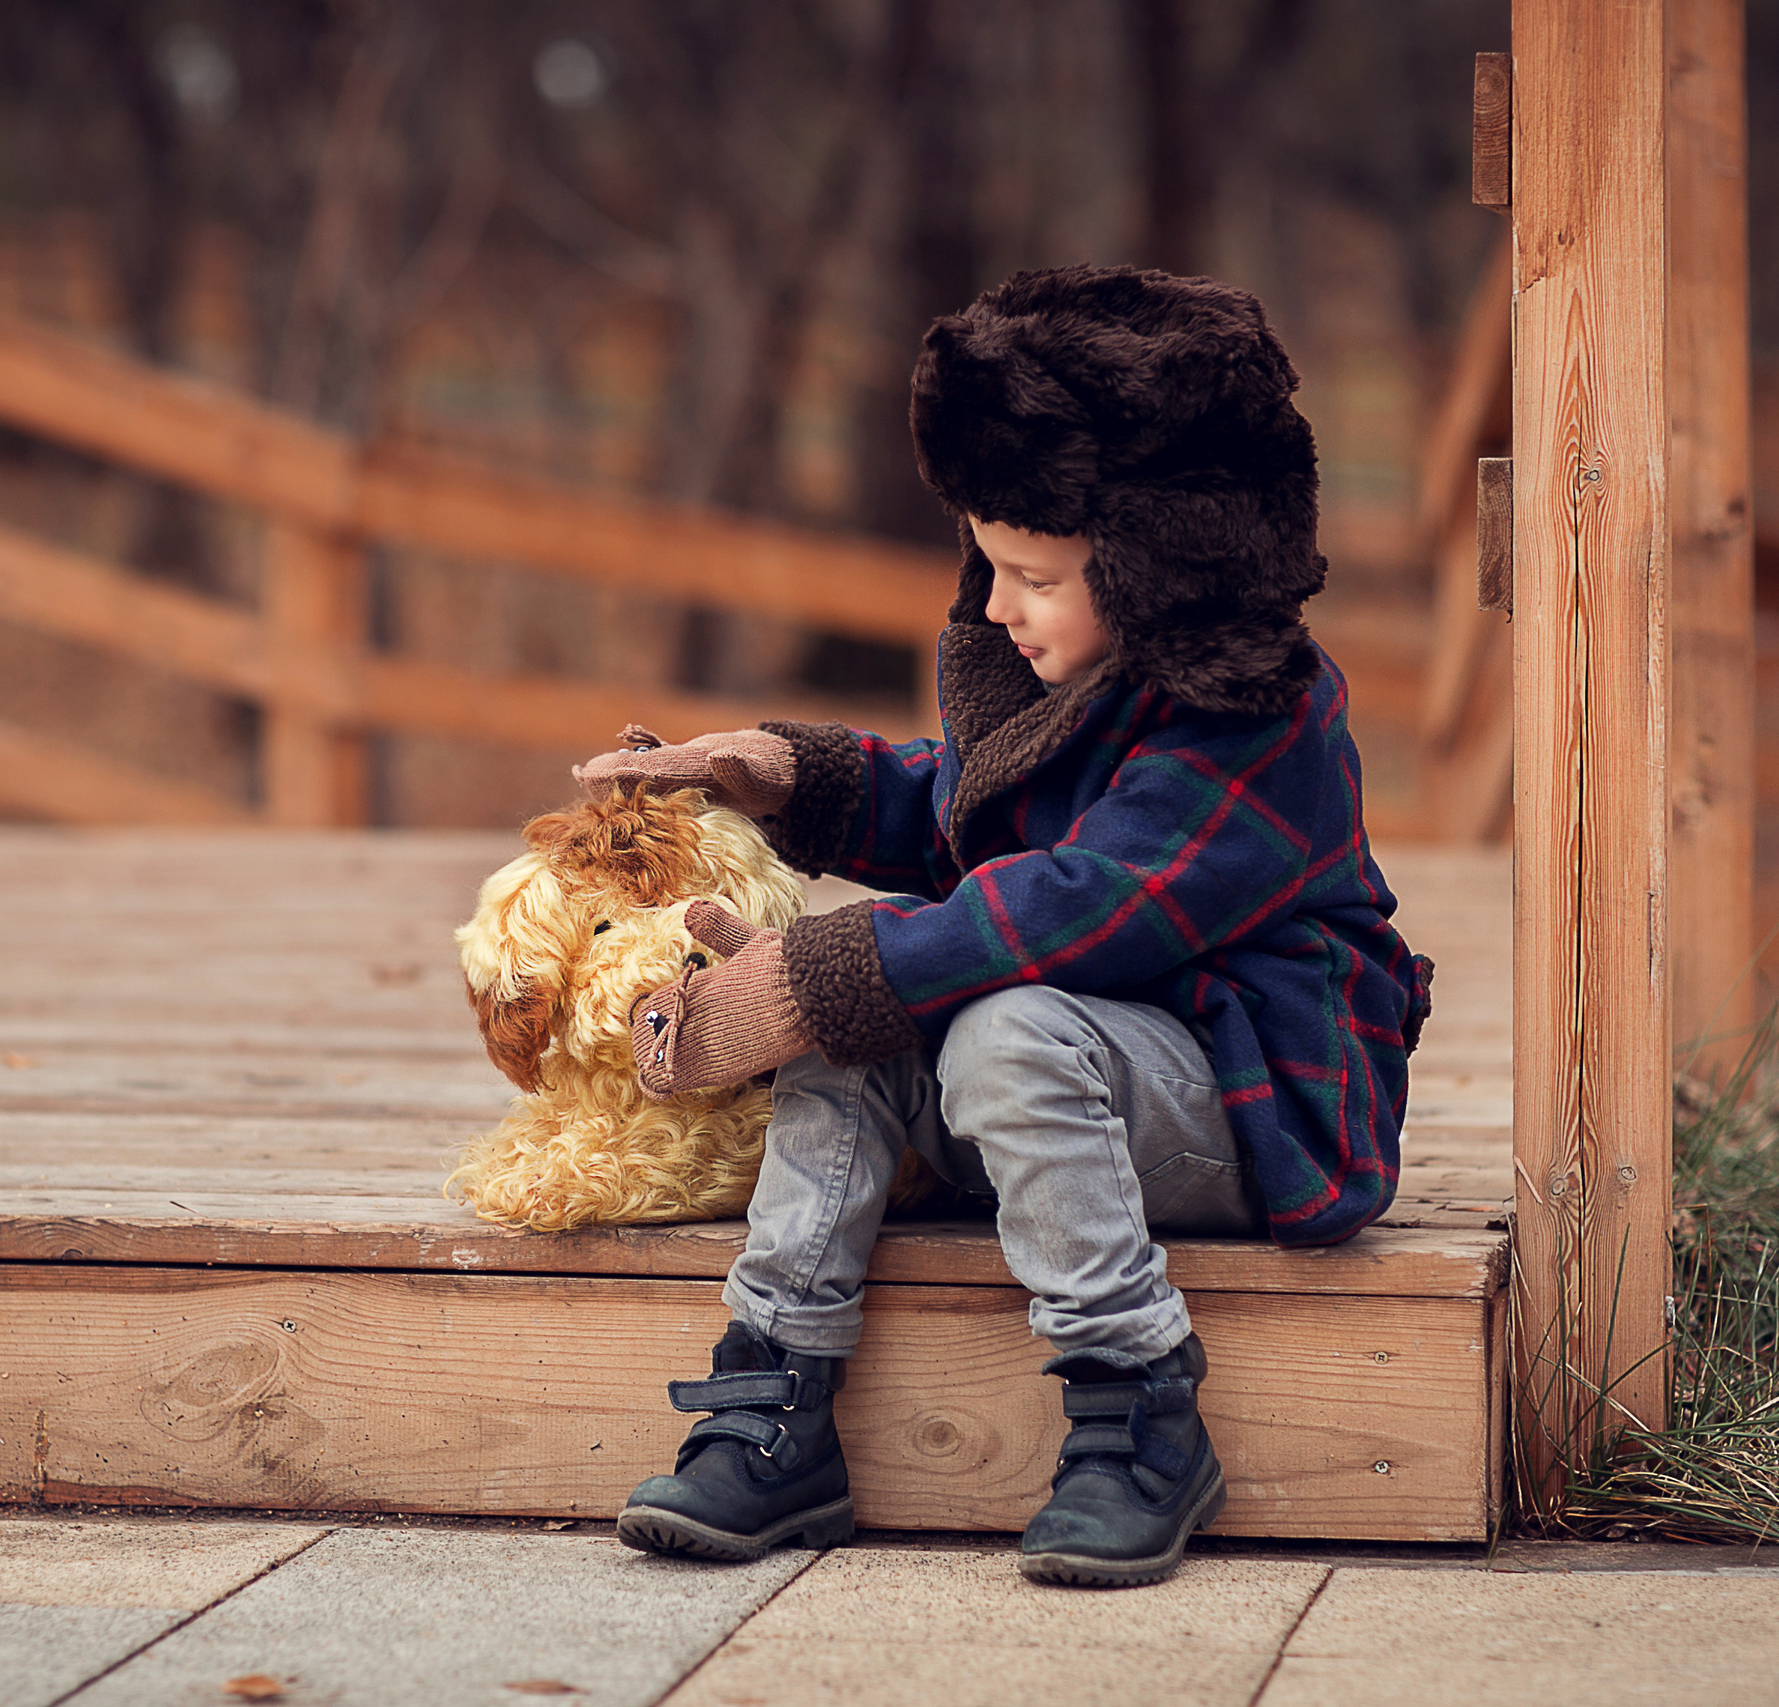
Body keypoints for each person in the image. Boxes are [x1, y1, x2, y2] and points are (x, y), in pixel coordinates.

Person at [574, 265, 1435, 1588]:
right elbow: (963, 819)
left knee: (983, 1015)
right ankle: (778, 1401)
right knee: (854, 1024)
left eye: (1033, 573)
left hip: (1255, 1106)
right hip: (1072, 1092)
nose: (992, 606)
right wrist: (786, 773)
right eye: (987, 563)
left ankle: (1139, 1408)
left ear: (1154, 569)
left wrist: (819, 976)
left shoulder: (1264, 723)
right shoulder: (1066, 671)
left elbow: (1080, 904)